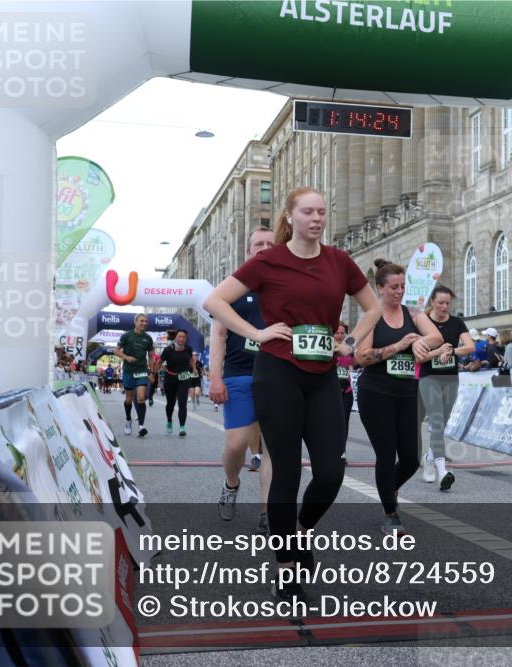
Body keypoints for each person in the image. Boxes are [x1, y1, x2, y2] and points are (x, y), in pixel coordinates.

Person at [204, 187, 382, 602]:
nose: (317, 218)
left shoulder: (338, 261)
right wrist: (257, 332)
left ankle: (300, 531)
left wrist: (351, 342)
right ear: (291, 216)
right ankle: (285, 568)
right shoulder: (268, 260)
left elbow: (370, 307)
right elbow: (216, 301)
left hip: (322, 376)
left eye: (322, 211)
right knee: (284, 471)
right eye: (308, 211)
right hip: (277, 372)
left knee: (331, 471)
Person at [355, 259, 443, 534]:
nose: (399, 291)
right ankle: (390, 513)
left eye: (403, 286)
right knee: (386, 453)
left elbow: (436, 337)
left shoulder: (413, 313)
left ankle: (388, 489)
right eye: (394, 287)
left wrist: (418, 341)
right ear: (379, 288)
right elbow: (361, 357)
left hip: (407, 392)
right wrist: (399, 345)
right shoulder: (371, 317)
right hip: (376, 392)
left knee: (410, 458)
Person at [209, 226, 276, 530]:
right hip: (239, 376)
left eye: (269, 244)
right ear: (248, 252)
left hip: (278, 376)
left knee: (274, 447)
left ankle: (267, 511)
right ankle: (231, 483)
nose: (263, 248)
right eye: (257, 244)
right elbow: (219, 335)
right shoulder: (233, 288)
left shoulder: (286, 289)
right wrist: (215, 378)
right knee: (236, 444)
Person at [416, 285, 475, 491]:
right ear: (432, 301)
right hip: (428, 376)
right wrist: (436, 352)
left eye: (448, 303)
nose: (444, 307)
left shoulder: (457, 322)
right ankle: (441, 471)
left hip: (450, 377)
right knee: (437, 421)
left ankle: (429, 457)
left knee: (444, 421)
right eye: (440, 303)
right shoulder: (423, 323)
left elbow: (470, 346)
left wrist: (451, 351)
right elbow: (418, 355)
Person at [115, 313, 156, 437]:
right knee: (128, 400)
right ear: (135, 322)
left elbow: (150, 356)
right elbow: (116, 350)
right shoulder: (127, 336)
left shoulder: (148, 338)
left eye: (146, 321)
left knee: (141, 397)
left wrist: (152, 372)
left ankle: (141, 426)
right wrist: (126, 357)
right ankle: (128, 420)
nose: (144, 323)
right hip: (128, 371)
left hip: (142, 371)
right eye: (141, 321)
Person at [158, 329, 198, 438]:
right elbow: (160, 361)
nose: (181, 339)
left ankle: (182, 427)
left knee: (182, 402)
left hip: (184, 378)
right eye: (179, 336)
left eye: (183, 337)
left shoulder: (188, 349)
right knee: (170, 403)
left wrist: (194, 368)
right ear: (175, 337)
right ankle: (169, 420)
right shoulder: (168, 350)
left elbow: (191, 360)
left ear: (186, 339)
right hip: (170, 378)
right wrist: (153, 373)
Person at [333, 321, 355, 455]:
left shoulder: (349, 349)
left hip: (347, 390)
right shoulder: (328, 347)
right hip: (331, 390)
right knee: (330, 421)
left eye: (342, 333)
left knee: (344, 421)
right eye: (337, 333)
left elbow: (353, 365)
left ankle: (342, 452)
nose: (340, 336)